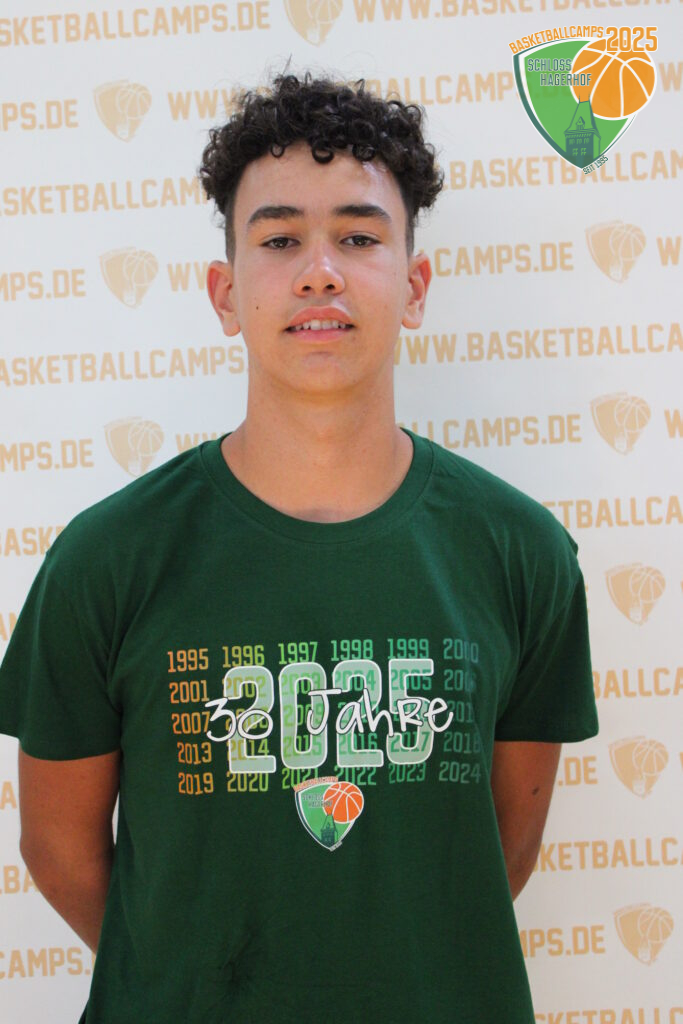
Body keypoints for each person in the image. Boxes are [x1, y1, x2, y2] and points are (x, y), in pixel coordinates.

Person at [0, 68, 599, 1023]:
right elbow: (57, 850)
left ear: (413, 286)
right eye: (279, 239)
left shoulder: (521, 554)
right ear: (225, 293)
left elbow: (498, 854)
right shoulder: (105, 559)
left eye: (358, 237)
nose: (320, 270)